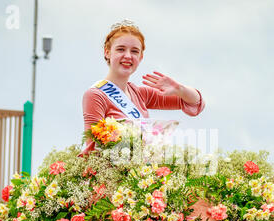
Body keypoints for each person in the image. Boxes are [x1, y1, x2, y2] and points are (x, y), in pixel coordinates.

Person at [80, 19, 206, 155]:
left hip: (141, 173)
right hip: (112, 173)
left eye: (134, 51)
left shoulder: (141, 94)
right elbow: (93, 148)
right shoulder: (96, 95)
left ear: (140, 57)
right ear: (107, 52)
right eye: (121, 49)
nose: (128, 56)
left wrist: (179, 89)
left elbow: (196, 103)